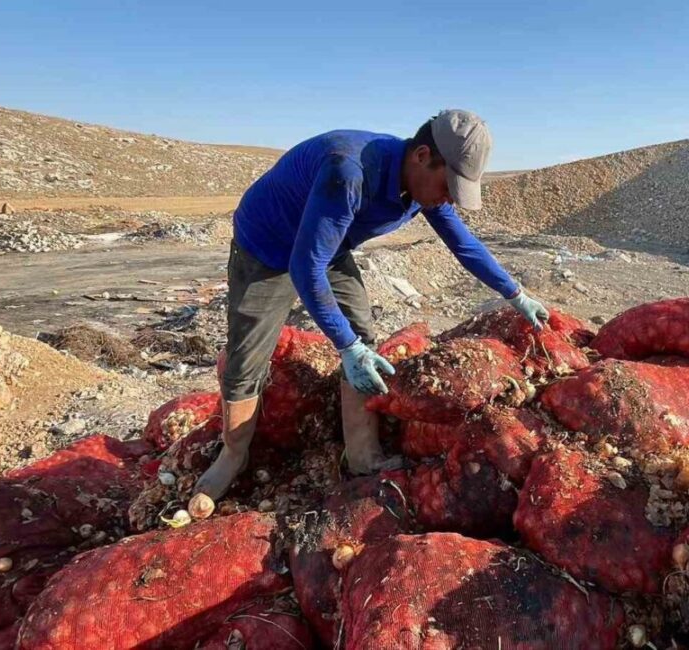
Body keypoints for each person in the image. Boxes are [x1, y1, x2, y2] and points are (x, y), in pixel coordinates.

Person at [191, 109, 550, 505]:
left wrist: (515, 294)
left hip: (327, 244)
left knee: (362, 335)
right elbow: (304, 267)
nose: (449, 197)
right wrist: (345, 347)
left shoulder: (421, 187)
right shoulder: (350, 172)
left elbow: (464, 245)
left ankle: (362, 454)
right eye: (449, 185)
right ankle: (234, 454)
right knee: (247, 357)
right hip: (267, 247)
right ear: (422, 156)